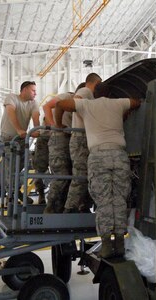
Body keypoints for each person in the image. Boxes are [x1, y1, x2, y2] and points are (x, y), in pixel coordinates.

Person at [55, 82, 141, 258]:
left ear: (94, 93)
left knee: (104, 200)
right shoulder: (118, 103)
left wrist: (58, 125)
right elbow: (136, 102)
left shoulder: (88, 104)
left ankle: (107, 246)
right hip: (119, 155)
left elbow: (59, 104)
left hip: (98, 156)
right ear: (110, 93)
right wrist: (124, 112)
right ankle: (120, 243)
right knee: (119, 199)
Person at [63, 73, 102, 213]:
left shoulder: (89, 94)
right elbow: (76, 102)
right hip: (80, 138)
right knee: (80, 175)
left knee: (85, 175)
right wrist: (88, 119)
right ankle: (69, 209)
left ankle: (82, 206)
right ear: (96, 83)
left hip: (84, 138)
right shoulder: (85, 91)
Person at [0, 81, 40, 204]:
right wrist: (19, 129)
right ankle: (11, 196)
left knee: (19, 167)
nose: (35, 93)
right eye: (33, 90)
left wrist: (37, 131)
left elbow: (35, 118)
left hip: (22, 138)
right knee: (11, 167)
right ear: (25, 90)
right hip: (9, 138)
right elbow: (11, 112)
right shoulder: (12, 98)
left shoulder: (33, 103)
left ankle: (15, 192)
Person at [43, 91, 75, 213]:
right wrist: (55, 125)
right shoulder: (68, 96)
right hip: (60, 139)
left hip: (69, 139)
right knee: (62, 175)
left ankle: (59, 208)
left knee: (70, 176)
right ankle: (50, 207)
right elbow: (46, 106)